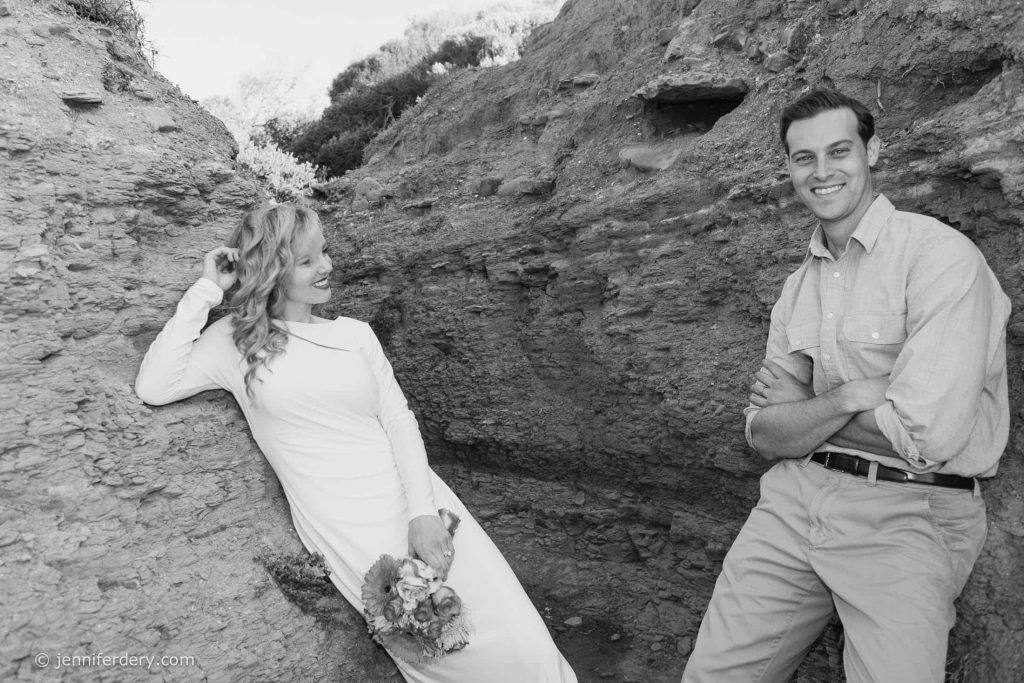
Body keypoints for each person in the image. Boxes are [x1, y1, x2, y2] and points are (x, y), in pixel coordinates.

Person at [135, 204, 577, 683]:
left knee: (523, 646)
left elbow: (398, 420)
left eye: (324, 252)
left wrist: (423, 513)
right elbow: (155, 386)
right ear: (273, 270)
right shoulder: (235, 342)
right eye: (306, 261)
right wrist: (206, 290)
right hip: (350, 533)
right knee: (441, 658)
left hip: (421, 508)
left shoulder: (355, 335)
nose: (326, 266)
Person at [681, 89, 1011, 683]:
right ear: (789, 168)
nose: (822, 171)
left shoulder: (940, 260)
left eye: (839, 151)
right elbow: (766, 433)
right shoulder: (796, 288)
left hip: (910, 509)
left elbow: (925, 434)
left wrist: (807, 410)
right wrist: (851, 396)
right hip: (794, 498)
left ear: (872, 151)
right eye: (804, 158)